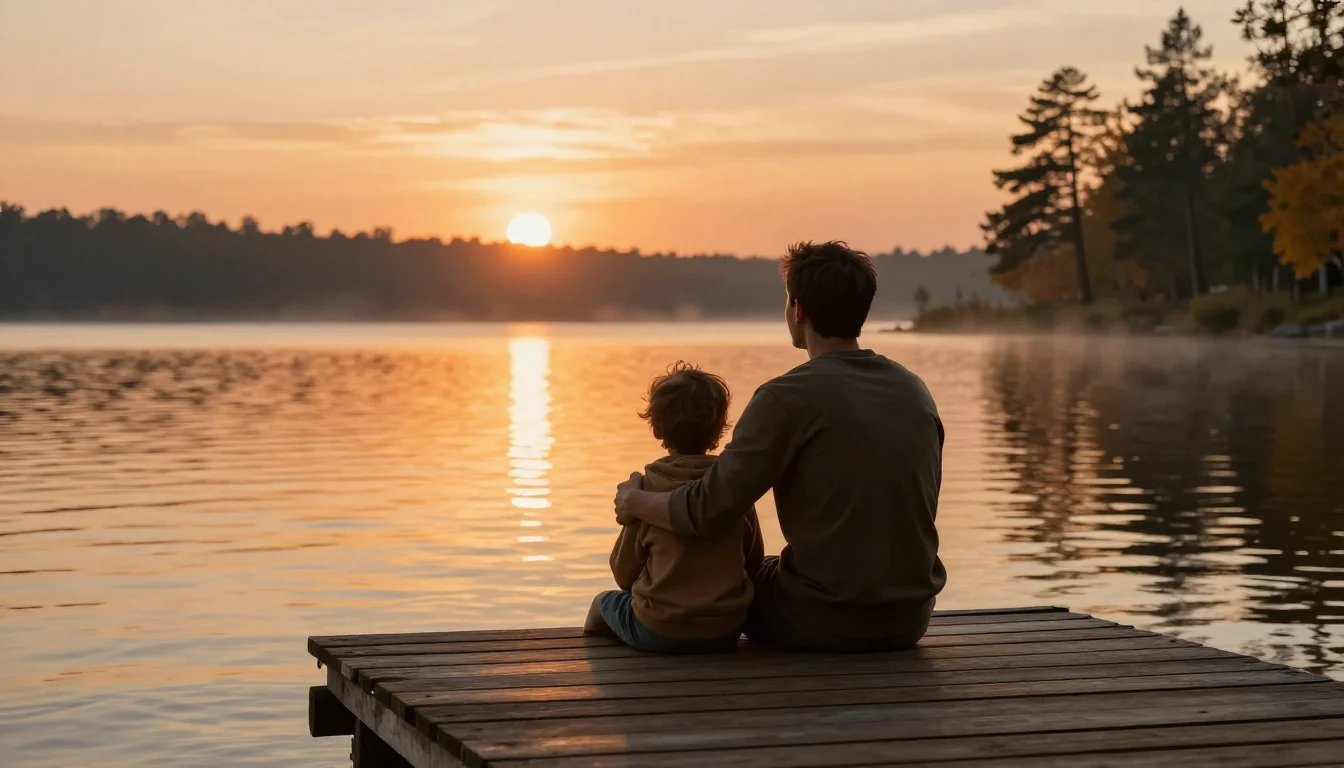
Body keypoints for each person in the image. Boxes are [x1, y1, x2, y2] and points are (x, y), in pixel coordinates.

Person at [613, 241, 946, 652]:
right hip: (910, 619)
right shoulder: (914, 390)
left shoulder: (784, 398)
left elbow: (705, 511)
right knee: (768, 567)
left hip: (824, 619)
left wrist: (635, 501)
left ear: (798, 310)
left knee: (731, 585)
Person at [584, 362, 764, 653]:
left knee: (600, 604)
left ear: (657, 428)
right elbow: (753, 562)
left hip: (660, 630)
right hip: (725, 629)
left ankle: (592, 659)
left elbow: (624, 574)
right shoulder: (730, 488)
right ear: (720, 428)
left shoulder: (646, 491)